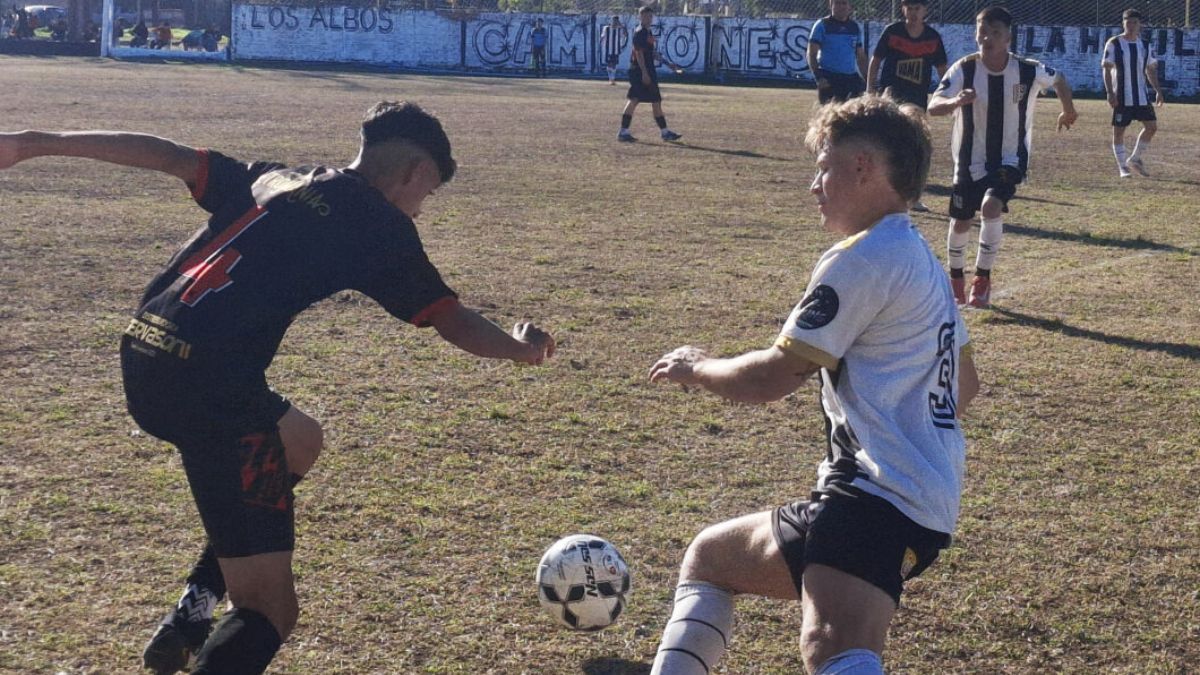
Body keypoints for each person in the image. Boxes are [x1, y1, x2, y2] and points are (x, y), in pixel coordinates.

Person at [0, 101, 556, 675]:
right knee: (270, 607)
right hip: (210, 391)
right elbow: (452, 320)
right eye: (428, 194)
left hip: (146, 352)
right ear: (416, 172)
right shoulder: (379, 225)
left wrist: (31, 142)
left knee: (299, 440)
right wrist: (523, 348)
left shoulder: (277, 176)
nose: (421, 208)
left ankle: (194, 609)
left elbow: (167, 155)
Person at [646, 94, 978, 675]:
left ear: (862, 169)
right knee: (712, 557)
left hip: (877, 496)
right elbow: (966, 384)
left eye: (824, 166)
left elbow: (773, 376)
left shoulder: (865, 256)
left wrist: (693, 368)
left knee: (833, 647)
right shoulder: (919, 258)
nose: (813, 184)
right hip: (915, 497)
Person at [928, 6, 1077, 309]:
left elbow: (1059, 78)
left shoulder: (1026, 69)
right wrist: (956, 101)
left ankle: (982, 279)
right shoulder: (964, 68)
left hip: (1010, 158)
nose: (987, 37)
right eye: (983, 31)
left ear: (1008, 37)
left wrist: (1069, 110)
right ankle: (956, 280)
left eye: (995, 32)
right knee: (960, 223)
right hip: (969, 160)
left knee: (991, 206)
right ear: (976, 33)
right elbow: (934, 106)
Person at [866, 0, 948, 211]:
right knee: (888, 144)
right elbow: (876, 61)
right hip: (890, 96)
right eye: (909, 8)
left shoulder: (932, 37)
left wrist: (947, 95)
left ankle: (912, 194)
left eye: (917, 8)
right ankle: (881, 190)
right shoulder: (892, 32)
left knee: (914, 145)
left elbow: (943, 70)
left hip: (917, 98)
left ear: (925, 11)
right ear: (903, 10)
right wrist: (870, 90)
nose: (913, 13)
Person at [1103, 8, 1165, 178]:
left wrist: (1157, 91)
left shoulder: (1144, 45)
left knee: (1152, 127)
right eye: (1127, 22)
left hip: (1141, 95)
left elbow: (1150, 70)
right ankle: (1123, 167)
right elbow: (1107, 69)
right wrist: (1110, 92)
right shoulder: (1114, 43)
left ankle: (1135, 158)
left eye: (1134, 22)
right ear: (1123, 23)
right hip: (1121, 95)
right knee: (1119, 132)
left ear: (1140, 25)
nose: (1130, 25)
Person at [617, 6, 681, 143]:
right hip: (639, 71)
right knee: (634, 99)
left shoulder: (648, 32)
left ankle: (665, 132)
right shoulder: (640, 32)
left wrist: (667, 63)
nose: (649, 19)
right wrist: (645, 74)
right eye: (645, 16)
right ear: (639, 17)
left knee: (656, 100)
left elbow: (651, 53)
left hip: (647, 70)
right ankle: (623, 132)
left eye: (650, 16)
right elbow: (639, 54)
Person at [806, 0, 868, 104]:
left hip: (850, 79)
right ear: (831, 5)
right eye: (837, 3)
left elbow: (860, 57)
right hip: (830, 79)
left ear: (849, 7)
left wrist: (868, 80)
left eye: (844, 3)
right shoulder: (822, 25)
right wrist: (819, 77)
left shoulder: (854, 27)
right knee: (831, 118)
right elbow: (811, 54)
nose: (841, 6)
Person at [600, 15, 627, 85]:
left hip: (616, 50)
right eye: (614, 20)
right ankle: (610, 79)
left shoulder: (619, 30)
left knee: (614, 64)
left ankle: (613, 79)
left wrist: (622, 26)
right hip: (608, 49)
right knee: (609, 64)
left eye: (616, 21)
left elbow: (625, 34)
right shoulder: (606, 28)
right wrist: (602, 44)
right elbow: (602, 37)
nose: (615, 22)